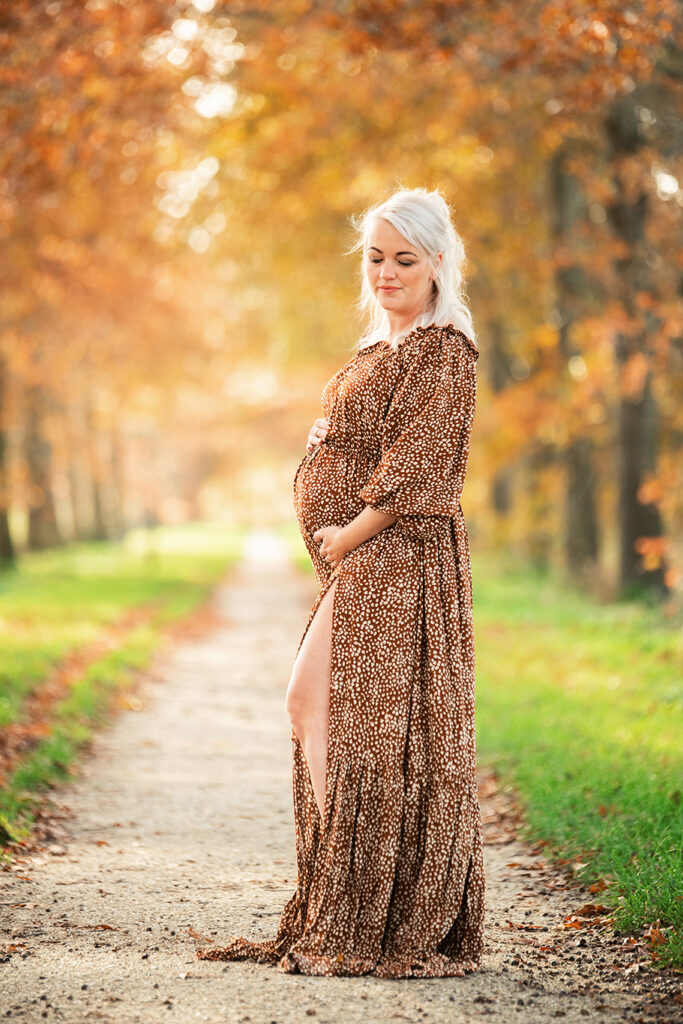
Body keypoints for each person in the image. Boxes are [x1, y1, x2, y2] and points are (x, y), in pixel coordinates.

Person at [197, 186, 485, 978]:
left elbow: (418, 463)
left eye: (404, 259)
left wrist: (349, 532)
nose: (386, 272)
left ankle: (365, 902)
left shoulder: (442, 351)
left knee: (328, 710)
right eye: (376, 257)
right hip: (361, 561)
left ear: (437, 265)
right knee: (329, 716)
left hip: (397, 560)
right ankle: (344, 889)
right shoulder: (377, 351)